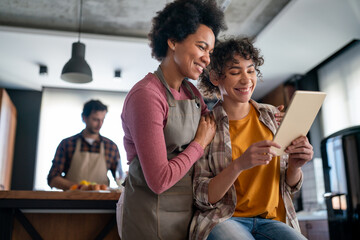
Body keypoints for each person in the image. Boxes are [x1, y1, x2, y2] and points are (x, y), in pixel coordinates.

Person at [116, 0, 227, 239]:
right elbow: (159, 180)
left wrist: (261, 112)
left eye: (210, 51)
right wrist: (198, 144)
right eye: (201, 47)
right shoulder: (147, 96)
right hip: (149, 214)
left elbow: (216, 125)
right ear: (173, 41)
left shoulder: (192, 93)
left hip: (185, 212)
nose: (207, 59)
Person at [190, 38, 313, 240]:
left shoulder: (274, 117)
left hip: (273, 220)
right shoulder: (207, 126)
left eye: (250, 70)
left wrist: (295, 166)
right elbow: (203, 197)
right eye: (235, 72)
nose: (246, 80)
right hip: (225, 219)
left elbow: (290, 186)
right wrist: (239, 164)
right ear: (215, 77)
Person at [47, 99, 122, 190]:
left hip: (102, 202)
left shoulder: (111, 147)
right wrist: (79, 187)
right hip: (71, 201)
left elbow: (120, 179)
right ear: (84, 118)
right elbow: (53, 178)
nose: (100, 124)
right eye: (95, 119)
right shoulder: (67, 144)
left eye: (102, 120)